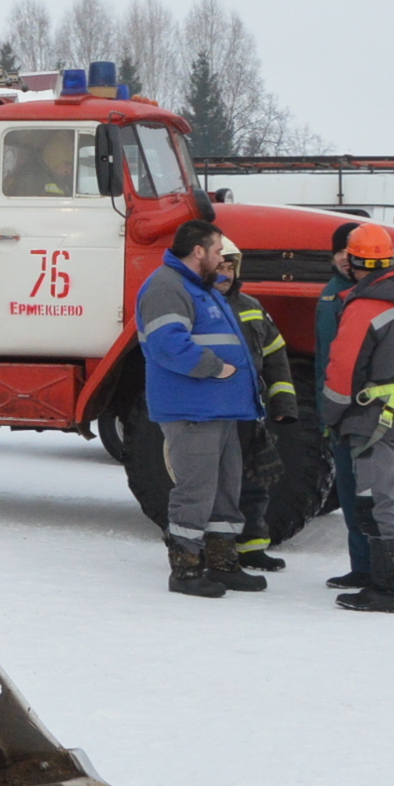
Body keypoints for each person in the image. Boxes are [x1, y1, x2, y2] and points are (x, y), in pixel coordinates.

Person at [138, 217, 261, 597]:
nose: (222, 258)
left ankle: (223, 562)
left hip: (217, 407)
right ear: (199, 252)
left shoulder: (198, 287)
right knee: (195, 491)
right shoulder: (166, 286)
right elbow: (167, 345)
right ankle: (186, 569)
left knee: (225, 488)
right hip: (192, 408)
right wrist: (216, 368)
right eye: (218, 251)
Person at [323, 222, 394, 613]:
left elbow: (342, 368)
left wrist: (331, 416)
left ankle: (386, 589)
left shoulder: (366, 305)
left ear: (353, 261)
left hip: (371, 417)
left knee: (375, 498)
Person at [212, 236, 299, 576]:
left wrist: (283, 403)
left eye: (230, 266)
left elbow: (276, 358)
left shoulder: (250, 305)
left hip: (250, 410)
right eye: (220, 265)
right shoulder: (197, 305)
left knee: (255, 478)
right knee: (217, 482)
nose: (226, 273)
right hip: (214, 411)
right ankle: (216, 548)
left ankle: (252, 546)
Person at [315, 223, 378, 592]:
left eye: (351, 254)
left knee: (375, 495)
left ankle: (382, 571)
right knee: (353, 494)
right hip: (340, 410)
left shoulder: (379, 295)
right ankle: (362, 567)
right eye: (340, 253)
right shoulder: (330, 296)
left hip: (372, 413)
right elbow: (326, 358)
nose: (345, 260)